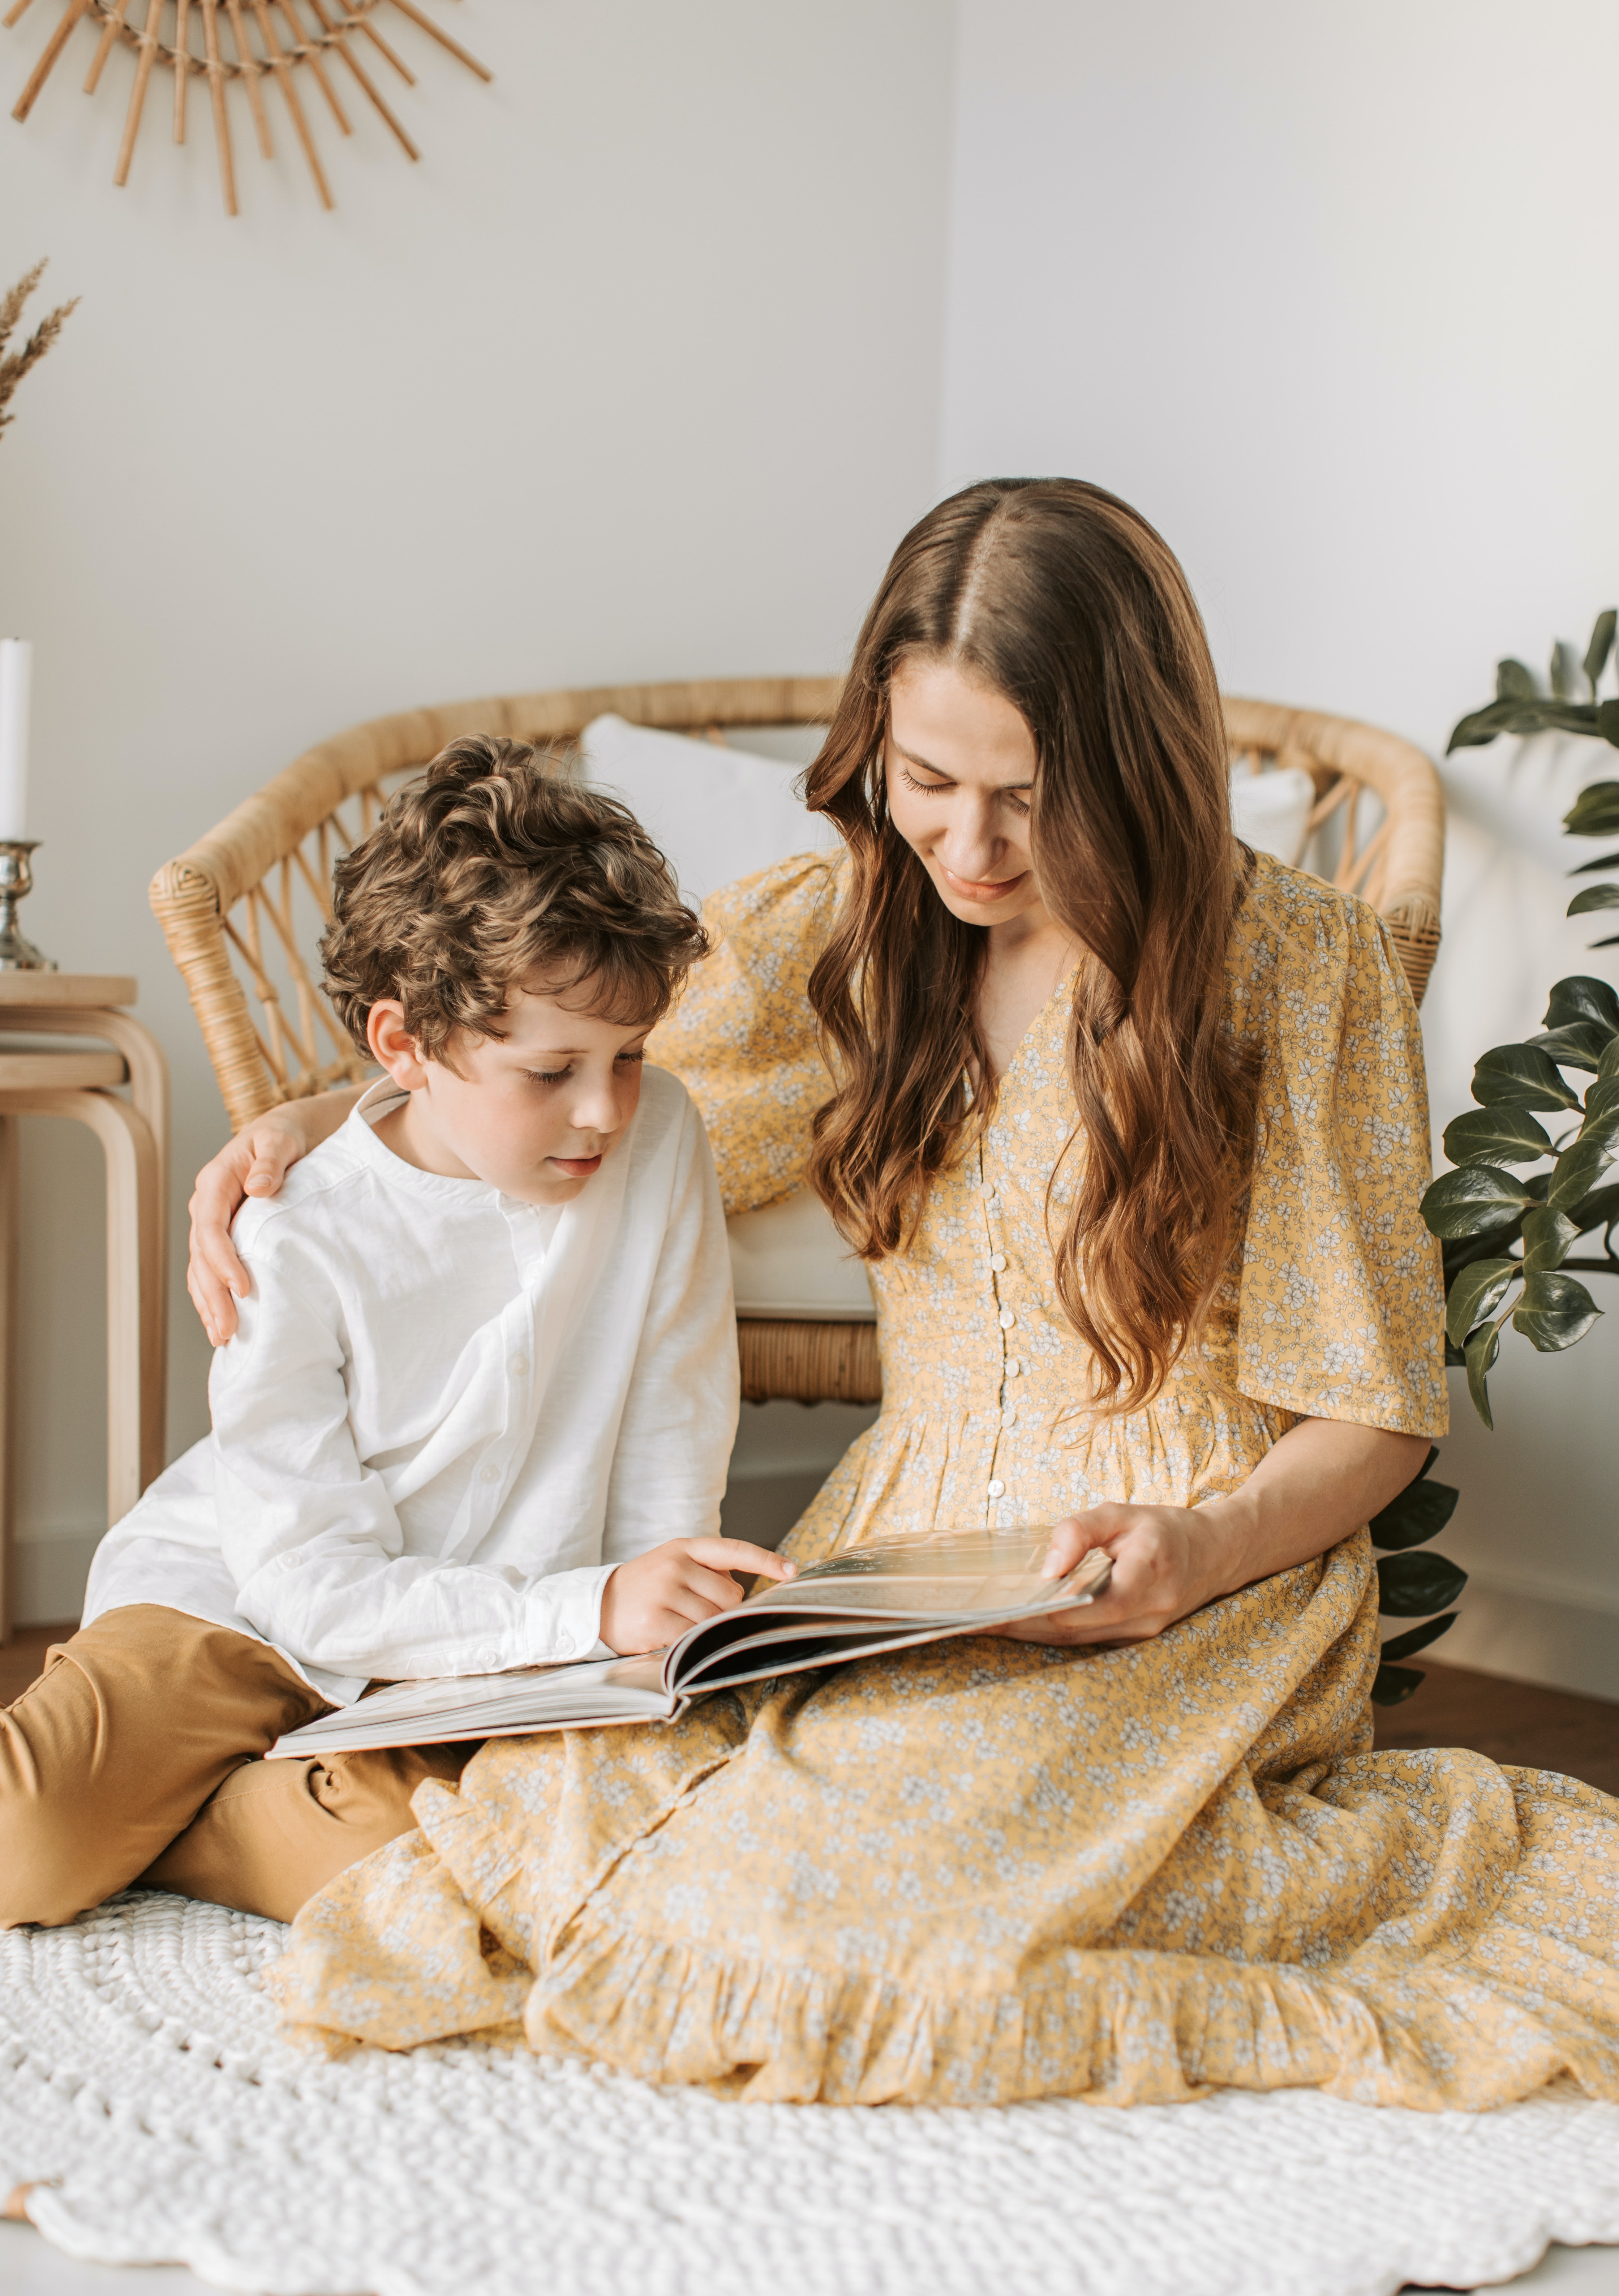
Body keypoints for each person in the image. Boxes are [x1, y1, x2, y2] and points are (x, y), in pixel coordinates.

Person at [186, 483, 1618, 2108]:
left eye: (1028, 797)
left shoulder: (1299, 969)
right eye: (925, 780)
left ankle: (1348, 1867)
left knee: (835, 1914)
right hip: (891, 1556)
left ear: (1134, 764)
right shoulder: (849, 933)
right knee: (611, 1815)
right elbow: (552, 1057)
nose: (968, 845)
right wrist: (322, 1121)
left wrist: (1194, 1550)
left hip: (1194, 1576)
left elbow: (1371, 1412)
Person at [0, 736, 789, 1931]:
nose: (604, 1111)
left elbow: (672, 1427)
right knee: (25, 1841)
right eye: (552, 1071)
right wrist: (581, 1612)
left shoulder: (661, 1136)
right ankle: (169, 1796)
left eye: (629, 1058)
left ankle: (189, 1817)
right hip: (241, 1609)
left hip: (478, 1655)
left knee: (462, 1863)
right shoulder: (295, 1232)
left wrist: (643, 1641)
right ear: (402, 1048)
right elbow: (308, 1588)